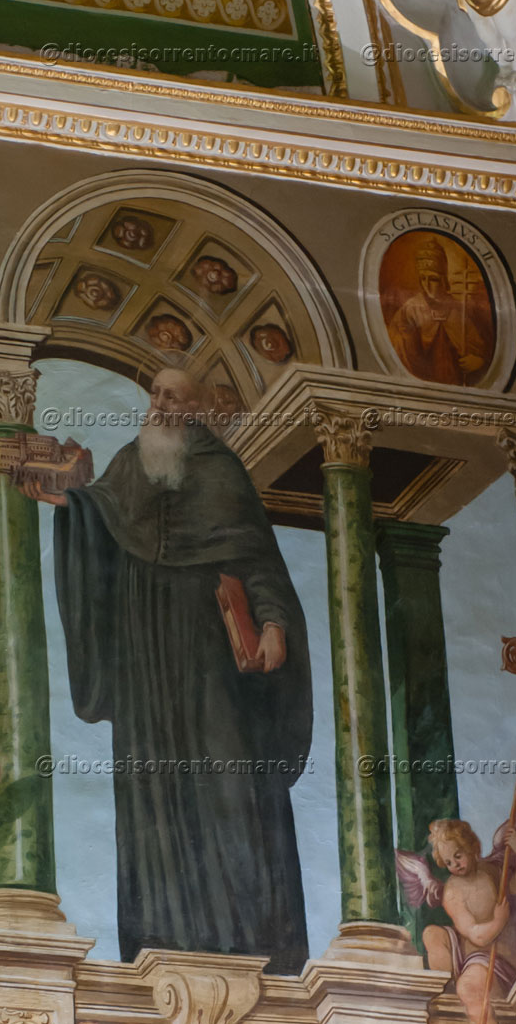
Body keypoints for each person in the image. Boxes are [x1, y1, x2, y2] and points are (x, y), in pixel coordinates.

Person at [29, 367, 312, 970]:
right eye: (155, 393)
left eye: (173, 397)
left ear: (194, 409)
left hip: (210, 656)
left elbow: (259, 559)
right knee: (154, 791)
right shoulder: (130, 463)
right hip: (145, 662)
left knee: (230, 782)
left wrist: (273, 624)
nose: (158, 404)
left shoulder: (221, 471)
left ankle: (248, 937)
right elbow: (99, 516)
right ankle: (163, 935)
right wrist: (68, 504)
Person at [404, 817, 516, 1024]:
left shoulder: (493, 870)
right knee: (432, 934)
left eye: (458, 856)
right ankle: (446, 992)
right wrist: (497, 921)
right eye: (448, 862)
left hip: (500, 961)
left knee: (468, 986)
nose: (455, 865)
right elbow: (477, 936)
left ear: (472, 848)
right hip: (473, 952)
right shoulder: (452, 891)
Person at [385, 238, 492, 385]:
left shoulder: (458, 310)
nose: (427, 285)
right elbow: (397, 349)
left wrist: (478, 359)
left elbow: (479, 346)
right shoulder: (410, 310)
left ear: (443, 280)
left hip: (455, 383)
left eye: (433, 279)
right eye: (423, 278)